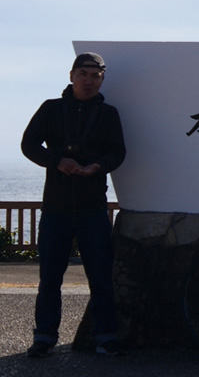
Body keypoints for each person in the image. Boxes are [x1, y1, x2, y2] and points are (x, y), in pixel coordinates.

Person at [21, 52, 127, 357]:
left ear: (102, 80)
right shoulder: (51, 109)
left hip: (93, 208)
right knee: (50, 278)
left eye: (95, 76)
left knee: (100, 276)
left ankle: (105, 336)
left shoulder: (108, 114)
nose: (88, 81)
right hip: (56, 208)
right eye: (83, 74)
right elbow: (29, 144)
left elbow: (118, 152)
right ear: (71, 76)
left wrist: (97, 166)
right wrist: (57, 160)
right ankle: (44, 337)